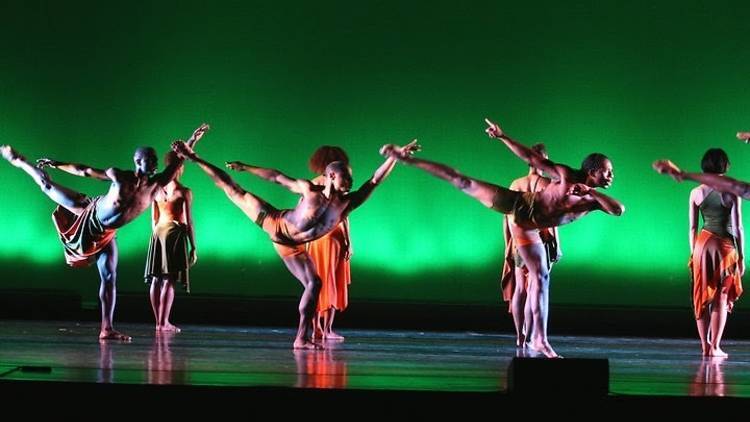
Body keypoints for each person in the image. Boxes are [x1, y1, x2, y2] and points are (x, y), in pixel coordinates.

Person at [382, 119, 624, 357]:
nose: (611, 176)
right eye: (608, 171)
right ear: (593, 171)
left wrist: (590, 191)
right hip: (518, 205)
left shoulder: (594, 201)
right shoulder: (565, 175)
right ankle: (406, 160)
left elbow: (618, 210)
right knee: (463, 181)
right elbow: (532, 158)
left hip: (530, 229)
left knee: (541, 278)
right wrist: (502, 136)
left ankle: (539, 339)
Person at [172, 139, 419, 349]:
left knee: (315, 283)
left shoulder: (347, 204)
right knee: (233, 189)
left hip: (293, 247)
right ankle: (194, 157)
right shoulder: (309, 190)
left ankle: (301, 338)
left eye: (352, 178)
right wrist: (246, 167)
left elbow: (374, 181)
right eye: (346, 177)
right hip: (275, 223)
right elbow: (277, 177)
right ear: (331, 175)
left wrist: (396, 157)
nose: (351, 182)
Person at [0, 124, 207, 341]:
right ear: (138, 161)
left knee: (109, 277)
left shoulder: (156, 185)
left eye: (156, 159)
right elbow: (85, 170)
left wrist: (192, 140)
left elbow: (178, 160)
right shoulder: (119, 176)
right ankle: (20, 161)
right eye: (150, 159)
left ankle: (106, 329)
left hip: (107, 233)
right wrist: (58, 164)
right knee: (46, 185)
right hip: (88, 212)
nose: (155, 163)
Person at [656, 149, 744, 357]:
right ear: (725, 166)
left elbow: (692, 228)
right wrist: (742, 257)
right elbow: (738, 227)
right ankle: (715, 346)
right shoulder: (731, 192)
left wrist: (693, 251)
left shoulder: (695, 192)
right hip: (724, 247)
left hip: (701, 245)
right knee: (720, 298)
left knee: (701, 296)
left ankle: (705, 346)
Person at [145, 124, 207, 332]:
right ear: (179, 168)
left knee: (156, 278)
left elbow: (153, 219)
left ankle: (158, 322)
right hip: (174, 233)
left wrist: (154, 237)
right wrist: (194, 246)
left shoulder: (156, 188)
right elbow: (189, 222)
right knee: (168, 280)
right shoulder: (184, 192)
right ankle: (164, 323)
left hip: (158, 232)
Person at [500, 143, 561, 348]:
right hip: (540, 240)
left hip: (519, 241)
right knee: (536, 287)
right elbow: (553, 219)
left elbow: (506, 218)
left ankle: (519, 335)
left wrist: (508, 242)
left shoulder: (516, 184)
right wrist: (558, 245)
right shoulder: (547, 184)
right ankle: (533, 333)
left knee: (519, 288)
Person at [306, 146, 352, 341]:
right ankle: (324, 329)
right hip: (327, 237)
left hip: (330, 237)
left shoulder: (325, 185)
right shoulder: (320, 186)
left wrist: (348, 241)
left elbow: (344, 215)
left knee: (327, 281)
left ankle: (322, 329)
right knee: (328, 281)